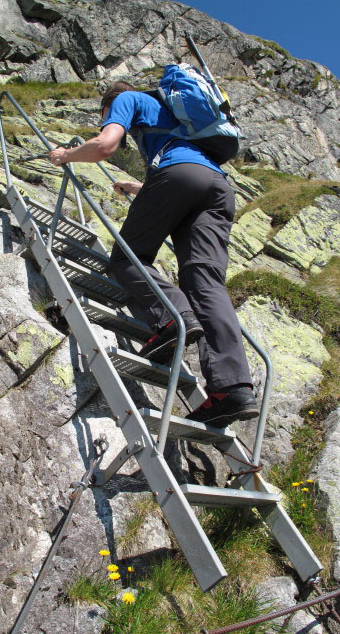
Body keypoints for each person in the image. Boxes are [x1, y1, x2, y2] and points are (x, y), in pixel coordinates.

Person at [49, 81, 257, 428]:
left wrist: (64, 155)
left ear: (108, 106)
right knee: (205, 282)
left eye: (105, 115)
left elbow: (105, 146)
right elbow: (190, 175)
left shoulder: (128, 99)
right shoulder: (178, 116)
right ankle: (233, 388)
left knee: (127, 257)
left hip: (177, 177)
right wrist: (139, 187)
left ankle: (173, 319)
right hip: (217, 187)